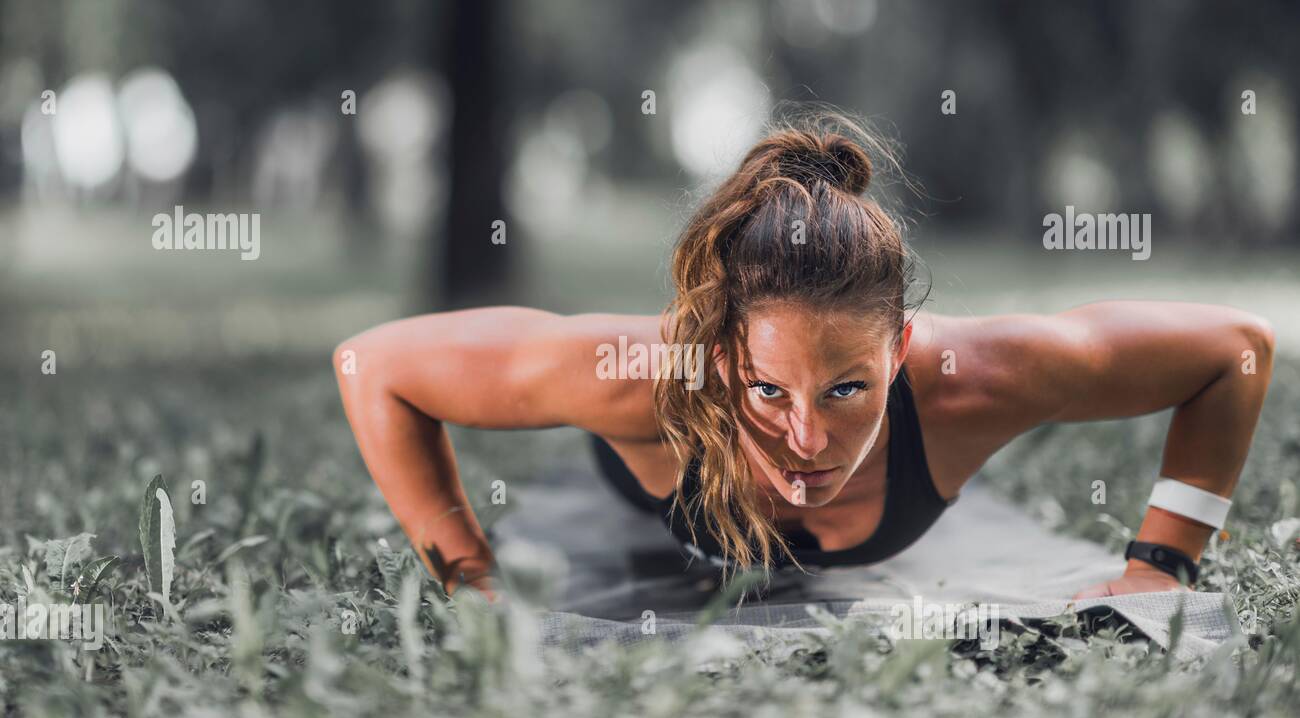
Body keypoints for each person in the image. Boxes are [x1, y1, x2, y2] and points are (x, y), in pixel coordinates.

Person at [333, 107, 1275, 603]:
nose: (807, 439)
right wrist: (470, 578)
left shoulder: (979, 378)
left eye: (849, 387)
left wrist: (1164, 560)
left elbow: (1235, 351)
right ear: (717, 353)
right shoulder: (653, 376)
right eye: (766, 389)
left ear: (902, 349)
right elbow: (373, 366)